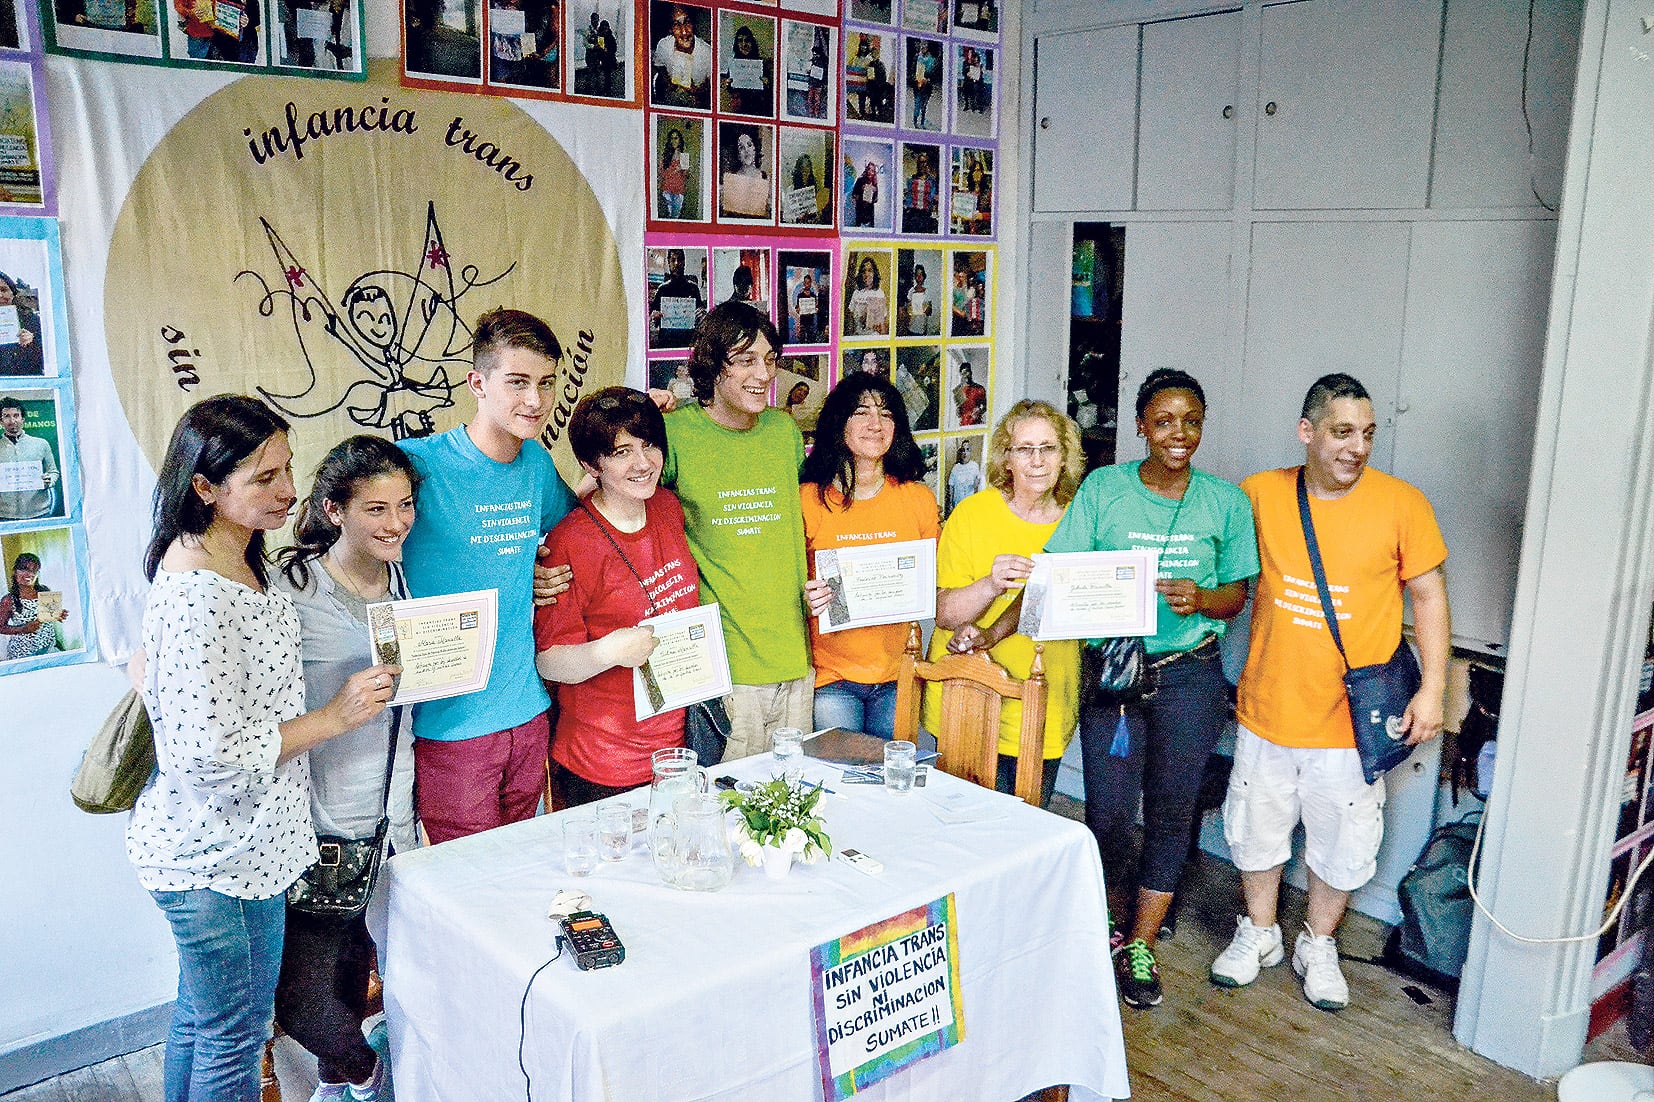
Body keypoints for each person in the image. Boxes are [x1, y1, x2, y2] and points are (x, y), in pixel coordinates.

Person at [128, 396, 397, 1102]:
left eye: (287, 469)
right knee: (234, 1035)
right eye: (262, 478)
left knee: (202, 1020)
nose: (286, 491)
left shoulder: (241, 557)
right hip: (216, 860)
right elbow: (207, 759)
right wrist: (335, 718)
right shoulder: (199, 591)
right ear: (203, 486)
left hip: (243, 847)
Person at [1209, 373, 1450, 1012]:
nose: (1357, 447)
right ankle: (1258, 932)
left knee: (1343, 846)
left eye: (1367, 434)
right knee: (1254, 832)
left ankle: (1318, 943)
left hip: (1353, 721)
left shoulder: (1403, 504)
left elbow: (1427, 596)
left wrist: (1432, 690)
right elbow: (1213, 565)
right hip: (1267, 707)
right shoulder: (1258, 494)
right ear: (1307, 432)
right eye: (1342, 433)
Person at [1042, 369, 1259, 1010]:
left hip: (1189, 672)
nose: (1178, 434)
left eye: (1191, 420)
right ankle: (1114, 921)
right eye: (1164, 421)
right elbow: (1061, 571)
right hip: (1114, 673)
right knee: (1108, 811)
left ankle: (1140, 942)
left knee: (1171, 809)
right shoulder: (1105, 489)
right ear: (1141, 425)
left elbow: (1237, 596)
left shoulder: (1225, 502)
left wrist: (1202, 597)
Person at [272, 436, 420, 1102]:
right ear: (334, 510)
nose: (395, 523)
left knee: (359, 968)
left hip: (396, 815)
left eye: (405, 506)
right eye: (376, 509)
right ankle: (365, 1069)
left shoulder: (413, 578)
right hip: (316, 820)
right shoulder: (291, 586)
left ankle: (342, 1083)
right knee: (301, 998)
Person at [397, 308, 577, 844]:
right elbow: (345, 547)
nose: (536, 401)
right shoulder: (415, 464)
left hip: (529, 711)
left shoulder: (538, 466)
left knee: (524, 870)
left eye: (546, 384)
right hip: (449, 724)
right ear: (477, 383)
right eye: (517, 382)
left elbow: (577, 530)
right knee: (467, 885)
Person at [535, 388, 700, 807]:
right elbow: (549, 659)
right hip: (601, 760)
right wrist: (608, 651)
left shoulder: (667, 507)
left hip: (678, 747)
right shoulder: (570, 542)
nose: (642, 463)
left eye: (648, 445)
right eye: (621, 452)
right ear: (593, 465)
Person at [661, 303, 811, 760]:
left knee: (789, 812)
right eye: (745, 360)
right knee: (724, 812)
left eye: (769, 359)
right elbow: (610, 498)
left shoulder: (783, 430)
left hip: (796, 659)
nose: (763, 374)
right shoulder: (674, 433)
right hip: (727, 667)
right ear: (711, 367)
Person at [929, 400, 1086, 807]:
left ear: (1064, 456)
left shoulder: (1080, 520)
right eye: (1024, 449)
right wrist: (991, 585)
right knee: (956, 828)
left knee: (1025, 833)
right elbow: (945, 615)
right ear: (1007, 458)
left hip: (1044, 701)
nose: (1037, 460)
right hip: (967, 700)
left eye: (1048, 448)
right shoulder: (973, 513)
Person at [800, 375, 939, 738]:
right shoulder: (807, 500)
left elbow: (936, 585)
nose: (876, 424)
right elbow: (789, 588)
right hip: (832, 678)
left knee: (890, 787)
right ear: (838, 424)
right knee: (839, 786)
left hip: (899, 675)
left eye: (887, 414)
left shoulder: (918, 499)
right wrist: (805, 596)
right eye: (861, 412)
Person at [0, 396, 58, 521]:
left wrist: (49, 480)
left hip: (40, 513)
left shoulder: (41, 444)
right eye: (6, 416)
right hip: (5, 515)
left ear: (23, 419)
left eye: (16, 415)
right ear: (1, 421)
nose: (12, 420)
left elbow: (53, 472)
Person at [1, 552, 66, 660]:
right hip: (22, 653)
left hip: (48, 647)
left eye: (33, 570)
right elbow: (1, 627)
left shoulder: (44, 590)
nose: (29, 574)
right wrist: (23, 629)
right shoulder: (8, 600)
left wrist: (57, 614)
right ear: (15, 572)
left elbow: (50, 615)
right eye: (24, 569)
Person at [652, 4, 711, 109]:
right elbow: (659, 66)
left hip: (696, 103)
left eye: (687, 22)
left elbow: (712, 86)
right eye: (676, 24)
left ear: (694, 24)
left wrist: (698, 91)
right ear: (670, 29)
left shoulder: (707, 52)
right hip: (670, 99)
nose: (684, 31)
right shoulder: (664, 45)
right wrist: (668, 81)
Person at [651, 248, 705, 349]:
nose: (677, 263)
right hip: (666, 344)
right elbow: (654, 320)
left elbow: (700, 319)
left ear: (684, 262)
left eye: (680, 259)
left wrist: (701, 314)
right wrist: (654, 317)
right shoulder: (662, 289)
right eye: (673, 260)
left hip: (688, 343)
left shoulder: (693, 288)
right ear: (668, 262)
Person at [721, 21, 773, 116]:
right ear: (736, 44)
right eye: (740, 41)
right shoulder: (734, 64)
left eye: (747, 40)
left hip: (758, 108)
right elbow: (732, 90)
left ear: (752, 43)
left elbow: (768, 94)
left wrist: (766, 84)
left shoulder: (761, 64)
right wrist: (728, 85)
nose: (744, 44)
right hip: (740, 110)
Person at [719, 126, 771, 219]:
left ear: (755, 149)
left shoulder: (766, 178)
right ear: (738, 154)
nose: (746, 150)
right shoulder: (731, 181)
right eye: (741, 148)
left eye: (749, 145)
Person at [0, 272, 44, 375]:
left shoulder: (31, 320)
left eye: (3, 290)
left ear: (12, 292)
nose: (0, 295)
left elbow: (48, 359)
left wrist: (32, 343)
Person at [847, 255, 888, 336]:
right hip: (857, 336)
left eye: (870, 270)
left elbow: (882, 321)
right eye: (864, 271)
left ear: (874, 273)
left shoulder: (879, 293)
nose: (866, 274)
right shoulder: (856, 293)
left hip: (873, 336)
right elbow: (851, 316)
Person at [903, 150, 939, 235]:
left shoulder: (932, 181)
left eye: (924, 162)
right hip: (912, 214)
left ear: (928, 164)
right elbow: (908, 196)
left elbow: (933, 197)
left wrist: (934, 199)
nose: (922, 165)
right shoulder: (911, 180)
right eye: (920, 162)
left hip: (925, 215)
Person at [658, 126, 689, 219]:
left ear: (680, 140)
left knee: (676, 216)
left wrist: (684, 169)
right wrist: (674, 170)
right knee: (669, 215)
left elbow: (686, 176)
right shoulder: (666, 156)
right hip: (667, 189)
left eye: (676, 138)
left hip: (679, 190)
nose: (674, 140)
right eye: (672, 138)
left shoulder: (684, 156)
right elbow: (662, 174)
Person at [946, 439, 981, 515]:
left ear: (970, 452)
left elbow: (977, 486)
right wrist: (951, 505)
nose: (965, 453)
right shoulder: (955, 468)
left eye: (967, 450)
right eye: (963, 450)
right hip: (958, 506)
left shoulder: (974, 466)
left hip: (970, 506)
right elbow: (951, 487)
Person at [909, 40, 938, 128]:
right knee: (917, 103)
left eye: (925, 46)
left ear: (927, 48)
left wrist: (928, 80)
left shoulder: (932, 60)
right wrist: (915, 78)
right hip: (917, 86)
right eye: (922, 46)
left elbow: (935, 75)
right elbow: (912, 71)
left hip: (927, 87)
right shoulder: (917, 57)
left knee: (924, 106)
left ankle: (922, 122)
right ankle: (915, 122)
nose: (923, 48)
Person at [903, 263, 935, 336]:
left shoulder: (927, 291)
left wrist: (925, 309)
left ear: (924, 276)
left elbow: (929, 312)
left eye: (921, 275)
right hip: (910, 327)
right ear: (915, 277)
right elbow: (907, 309)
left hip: (922, 327)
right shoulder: (911, 291)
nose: (919, 277)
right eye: (917, 275)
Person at [792, 271, 822, 344]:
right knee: (802, 340)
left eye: (809, 282)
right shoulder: (800, 295)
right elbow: (797, 308)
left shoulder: (813, 296)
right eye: (806, 282)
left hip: (811, 322)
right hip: (803, 322)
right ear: (804, 283)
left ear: (811, 284)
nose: (807, 284)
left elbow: (817, 307)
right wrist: (798, 309)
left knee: (811, 339)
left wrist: (816, 309)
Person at [953, 361, 985, 426]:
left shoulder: (979, 388)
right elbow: (959, 413)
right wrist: (958, 412)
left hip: (976, 423)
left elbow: (985, 406)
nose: (966, 375)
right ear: (961, 375)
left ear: (971, 372)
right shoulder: (959, 390)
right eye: (963, 373)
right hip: (963, 425)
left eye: (967, 372)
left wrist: (980, 411)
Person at [851, 161, 879, 228]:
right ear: (866, 170)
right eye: (869, 169)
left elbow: (876, 200)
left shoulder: (874, 183)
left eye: (872, 170)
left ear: (874, 173)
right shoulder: (860, 180)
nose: (870, 172)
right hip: (860, 213)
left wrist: (873, 193)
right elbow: (853, 195)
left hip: (869, 214)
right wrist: (861, 191)